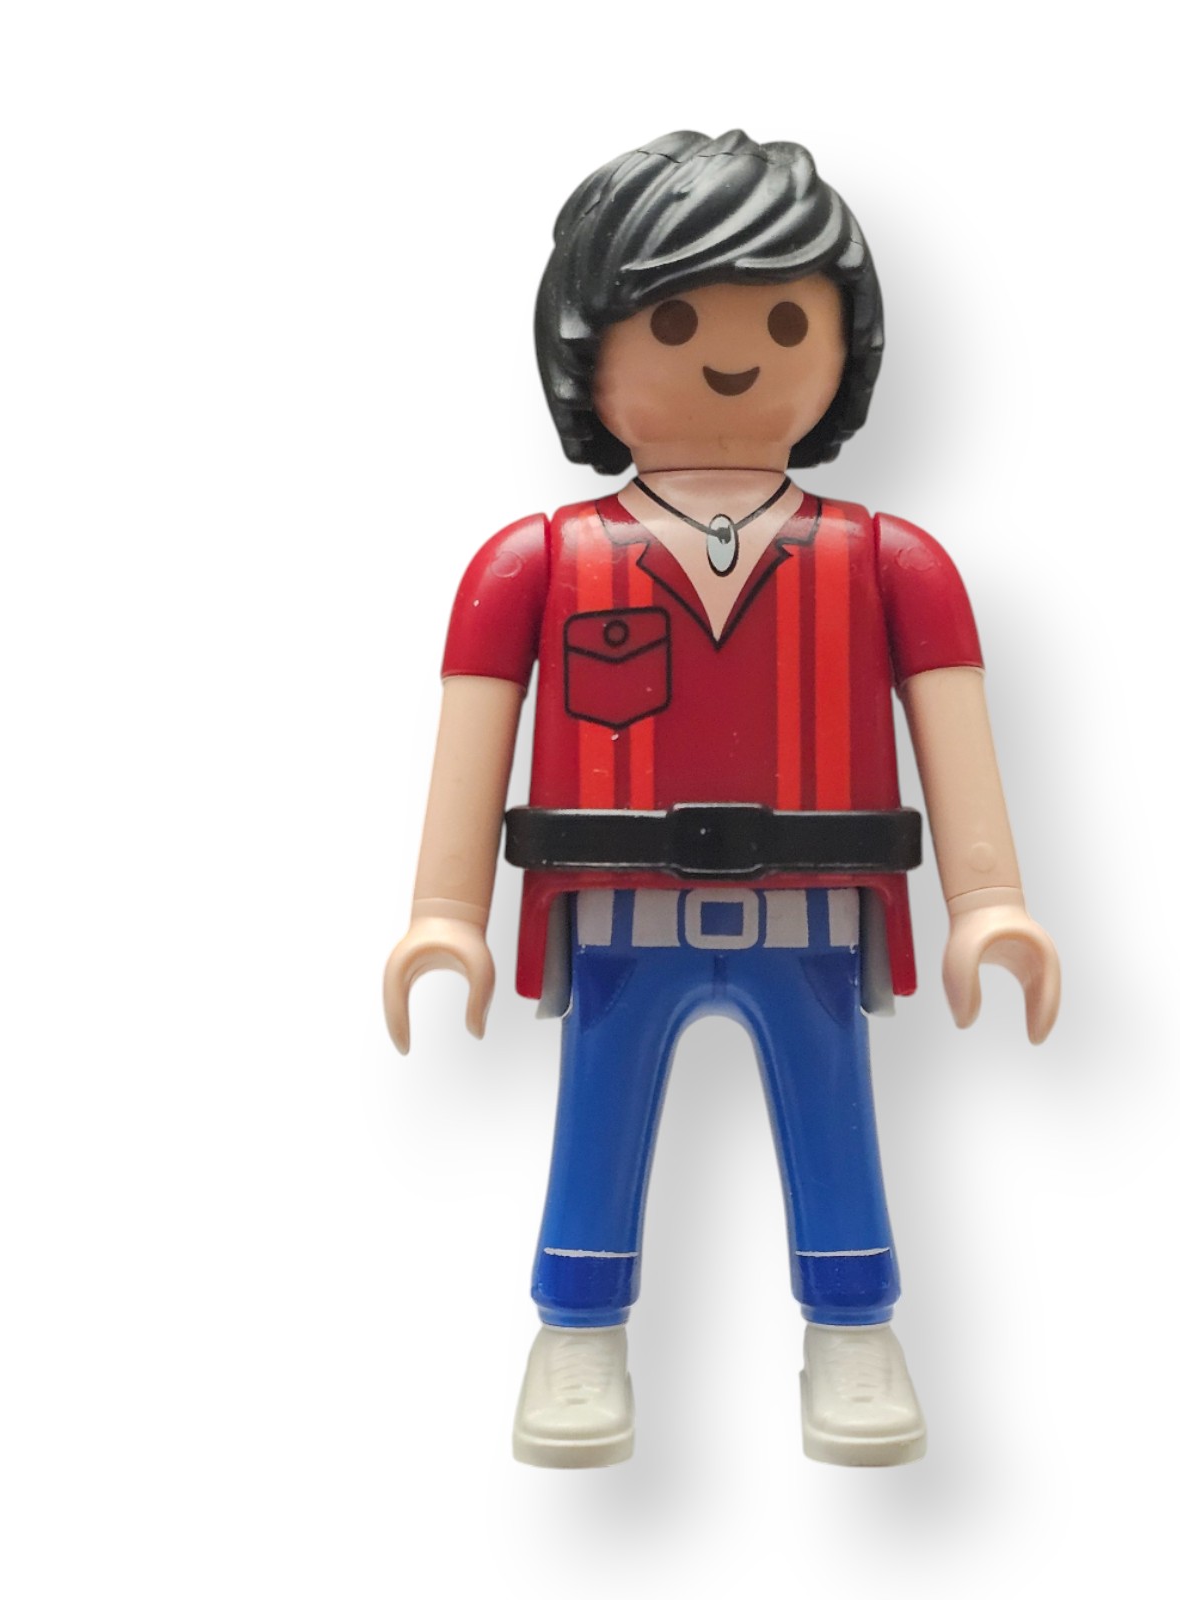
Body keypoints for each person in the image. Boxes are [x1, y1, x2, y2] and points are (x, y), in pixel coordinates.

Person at [383, 130, 1060, 1468]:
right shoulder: (534, 563)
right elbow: (475, 732)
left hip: (813, 913)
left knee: (835, 1118)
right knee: (595, 1120)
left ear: (847, 347)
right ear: (586, 345)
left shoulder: (894, 562)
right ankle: (577, 1334)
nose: (733, 356)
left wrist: (991, 902)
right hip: (615, 915)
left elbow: (954, 733)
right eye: (676, 320)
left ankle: (854, 1331)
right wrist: (443, 915)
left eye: (788, 320)